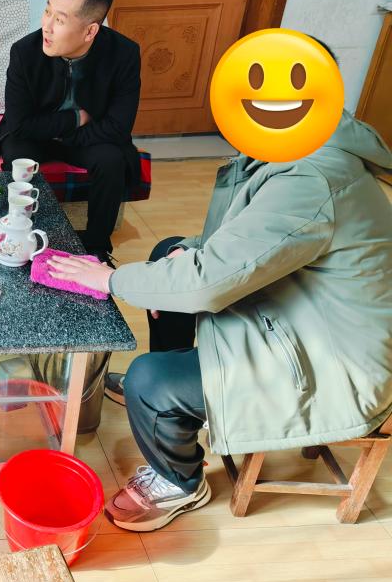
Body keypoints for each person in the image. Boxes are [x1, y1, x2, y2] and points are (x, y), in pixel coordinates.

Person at [47, 88, 392, 532]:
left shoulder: (309, 179)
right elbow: (254, 242)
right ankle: (179, 398)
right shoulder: (304, 143)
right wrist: (187, 255)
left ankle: (180, 479)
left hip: (334, 369)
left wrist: (109, 279)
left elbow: (209, 283)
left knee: (149, 378)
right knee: (169, 252)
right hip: (299, 317)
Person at [0, 0, 141, 263]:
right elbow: (18, 124)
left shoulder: (124, 54)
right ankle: (20, 236)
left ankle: (96, 248)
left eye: (60, 20)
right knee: (16, 152)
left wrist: (70, 136)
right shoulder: (25, 52)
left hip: (87, 139)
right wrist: (75, 119)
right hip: (37, 135)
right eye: (47, 11)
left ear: (90, 31)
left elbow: (118, 126)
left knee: (112, 159)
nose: (47, 26)